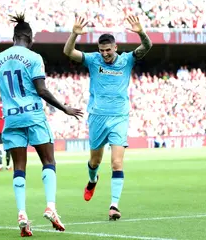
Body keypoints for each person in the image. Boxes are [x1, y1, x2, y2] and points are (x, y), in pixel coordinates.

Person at [0, 13, 83, 237]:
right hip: (33, 116)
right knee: (48, 161)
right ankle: (51, 206)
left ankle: (22, 213)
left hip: (11, 118)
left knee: (19, 167)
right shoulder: (34, 57)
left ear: (14, 38)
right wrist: (64, 108)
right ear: (29, 39)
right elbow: (41, 90)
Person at [63, 15, 152, 220]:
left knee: (117, 164)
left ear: (115, 47)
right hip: (97, 117)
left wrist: (140, 32)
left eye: (108, 50)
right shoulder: (93, 59)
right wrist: (74, 34)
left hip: (119, 117)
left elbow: (147, 46)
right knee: (95, 161)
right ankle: (93, 181)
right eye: (102, 50)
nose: (105, 54)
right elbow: (68, 52)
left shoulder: (127, 59)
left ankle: (114, 205)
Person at [0, 95, 12, 171]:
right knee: (8, 147)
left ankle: (0, 165)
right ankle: (8, 166)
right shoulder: (8, 104)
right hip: (7, 128)